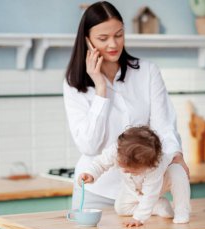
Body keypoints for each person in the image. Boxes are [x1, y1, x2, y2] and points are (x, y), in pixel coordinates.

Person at [63, 1, 190, 210]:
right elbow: (89, 146)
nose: (113, 44)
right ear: (87, 41)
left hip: (142, 192)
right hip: (96, 192)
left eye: (119, 35)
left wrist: (176, 156)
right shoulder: (74, 84)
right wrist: (101, 89)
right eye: (103, 38)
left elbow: (164, 126)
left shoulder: (147, 72)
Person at [78, 126, 190, 227]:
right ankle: (158, 207)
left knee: (177, 171)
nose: (125, 171)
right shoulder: (117, 150)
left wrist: (138, 218)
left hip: (160, 184)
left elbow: (150, 194)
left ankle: (182, 211)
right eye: (123, 166)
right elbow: (101, 162)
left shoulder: (155, 166)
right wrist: (91, 173)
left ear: (148, 165)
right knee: (120, 208)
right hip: (134, 189)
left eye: (132, 170)